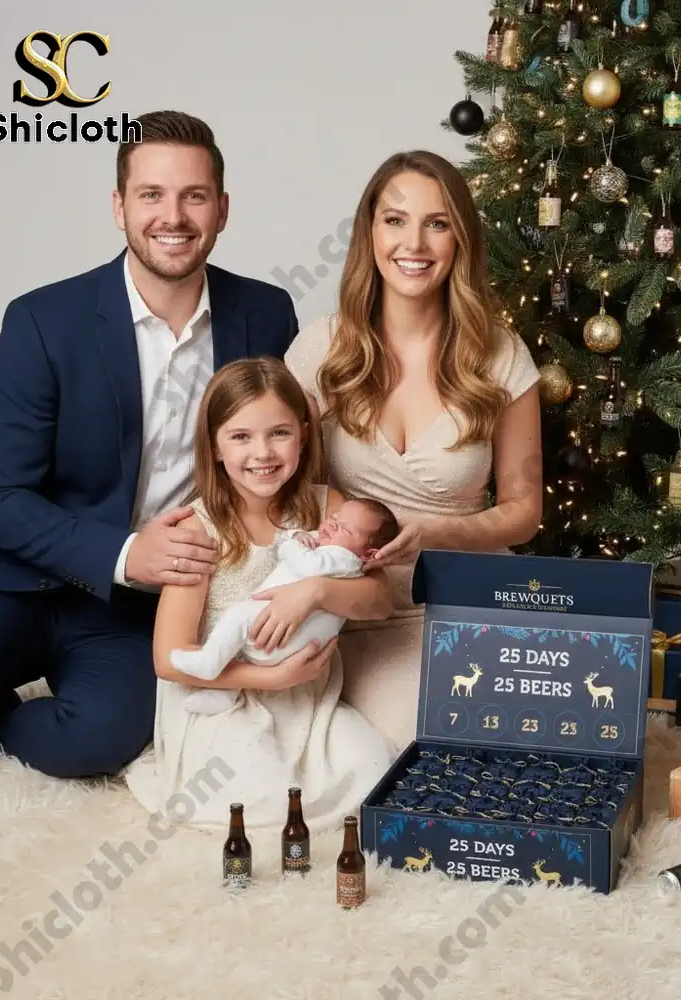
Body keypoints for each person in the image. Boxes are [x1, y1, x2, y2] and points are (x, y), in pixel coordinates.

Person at [0, 109, 327, 780]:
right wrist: (128, 552)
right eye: (152, 195)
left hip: (140, 608)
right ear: (119, 206)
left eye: (194, 196)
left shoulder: (267, 313)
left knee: (98, 743)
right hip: (16, 579)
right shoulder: (42, 319)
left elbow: (285, 451)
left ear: (222, 209)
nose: (174, 216)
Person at [280, 149, 544, 749]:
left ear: (460, 240)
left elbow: (525, 513)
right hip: (365, 607)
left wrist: (432, 530)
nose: (414, 243)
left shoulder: (501, 355)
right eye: (395, 220)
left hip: (472, 595)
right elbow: (276, 479)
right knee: (430, 740)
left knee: (535, 727)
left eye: (438, 222)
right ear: (369, 232)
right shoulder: (321, 349)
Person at [122, 357, 395, 830]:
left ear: (304, 434)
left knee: (373, 766)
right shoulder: (197, 528)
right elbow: (169, 659)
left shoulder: (328, 508)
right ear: (215, 446)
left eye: (279, 433)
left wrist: (313, 591)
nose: (263, 453)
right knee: (256, 795)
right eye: (241, 436)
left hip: (308, 698)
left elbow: (380, 600)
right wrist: (271, 678)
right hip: (225, 691)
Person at [169, 497, 399, 716]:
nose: (331, 525)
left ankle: (209, 662)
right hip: (288, 646)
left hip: (284, 638)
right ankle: (227, 693)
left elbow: (305, 564)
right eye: (334, 517)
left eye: (345, 530)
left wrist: (292, 544)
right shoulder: (329, 547)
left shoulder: (345, 559)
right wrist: (297, 535)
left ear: (369, 554)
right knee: (240, 641)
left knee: (238, 616)